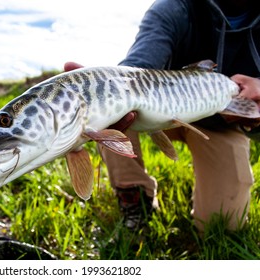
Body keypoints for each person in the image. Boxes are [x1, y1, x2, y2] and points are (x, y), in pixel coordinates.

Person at [65, 0, 260, 232]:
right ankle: (136, 197)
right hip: (157, 111)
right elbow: (139, 64)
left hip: (219, 122)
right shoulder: (174, 8)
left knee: (224, 224)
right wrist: (103, 86)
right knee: (109, 107)